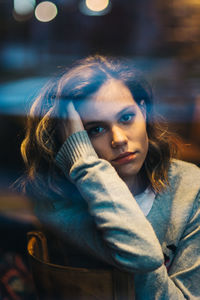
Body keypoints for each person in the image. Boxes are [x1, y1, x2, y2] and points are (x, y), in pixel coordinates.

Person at [18, 55, 200, 299]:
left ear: (144, 111)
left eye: (126, 118)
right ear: (74, 139)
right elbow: (142, 255)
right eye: (96, 129)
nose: (119, 139)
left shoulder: (190, 186)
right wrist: (84, 164)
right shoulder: (59, 200)